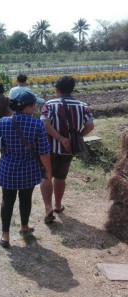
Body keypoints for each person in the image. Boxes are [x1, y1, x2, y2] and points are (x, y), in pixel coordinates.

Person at [0, 90, 51, 248]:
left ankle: (5, 236)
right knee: (26, 198)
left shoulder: (3, 122)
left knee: (7, 200)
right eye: (34, 105)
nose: (35, 108)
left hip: (7, 169)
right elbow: (44, 151)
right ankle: (24, 227)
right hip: (29, 170)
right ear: (27, 107)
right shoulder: (37, 124)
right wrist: (47, 170)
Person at [39, 76, 94, 224]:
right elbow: (90, 126)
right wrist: (76, 137)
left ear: (57, 90)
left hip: (49, 148)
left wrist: (60, 138)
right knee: (61, 177)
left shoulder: (49, 104)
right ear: (72, 89)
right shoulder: (82, 106)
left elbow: (45, 124)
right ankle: (57, 205)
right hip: (69, 149)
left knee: (46, 176)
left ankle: (48, 207)